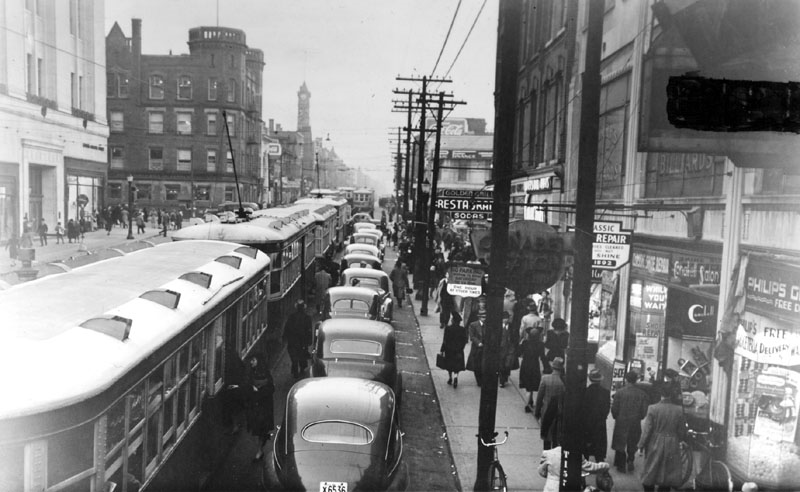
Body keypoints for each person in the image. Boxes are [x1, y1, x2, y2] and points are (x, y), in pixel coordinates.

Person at [638, 384, 687, 491]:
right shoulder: (679, 410)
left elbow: (647, 430)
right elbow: (681, 430)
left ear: (661, 394)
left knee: (650, 469)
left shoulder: (652, 408)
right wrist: (680, 440)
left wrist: (641, 445)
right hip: (672, 442)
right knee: (667, 472)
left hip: (655, 442)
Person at [611, 370, 650, 473]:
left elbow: (614, 408)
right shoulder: (642, 394)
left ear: (626, 380)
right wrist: (639, 417)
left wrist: (616, 416)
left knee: (620, 442)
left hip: (621, 421)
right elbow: (644, 411)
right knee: (633, 441)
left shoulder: (619, 392)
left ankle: (621, 464)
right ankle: (630, 459)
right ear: (636, 380)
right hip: (635, 421)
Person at [539, 445, 610, 492]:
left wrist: (552, 475)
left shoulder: (549, 453)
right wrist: (605, 466)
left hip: (551, 488)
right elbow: (590, 467)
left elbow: (541, 472)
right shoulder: (576, 454)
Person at [246, 353, 275, 462]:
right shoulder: (252, 372)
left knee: (261, 428)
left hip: (264, 406)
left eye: (253, 360)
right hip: (255, 405)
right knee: (258, 428)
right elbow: (248, 385)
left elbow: (272, 388)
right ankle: (260, 448)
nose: (251, 362)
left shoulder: (265, 373)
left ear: (258, 361)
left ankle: (259, 450)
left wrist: (258, 391)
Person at [535, 356, 566, 450]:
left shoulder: (545, 379)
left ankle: (546, 454)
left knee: (546, 436)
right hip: (558, 413)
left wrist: (537, 412)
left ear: (553, 367)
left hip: (546, 411)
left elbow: (539, 397)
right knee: (556, 438)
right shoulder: (564, 382)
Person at [519, 322, 548, 413]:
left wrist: (520, 344)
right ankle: (530, 400)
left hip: (525, 365)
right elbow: (543, 357)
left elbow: (519, 353)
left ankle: (528, 402)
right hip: (535, 365)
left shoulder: (525, 343)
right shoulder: (540, 344)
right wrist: (547, 367)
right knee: (532, 384)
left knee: (527, 384)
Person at [584, 369, 611, 462]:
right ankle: (599, 462)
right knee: (599, 445)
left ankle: (586, 462)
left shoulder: (585, 392)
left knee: (587, 445)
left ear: (590, 379)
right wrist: (603, 417)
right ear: (600, 380)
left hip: (587, 422)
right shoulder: (606, 392)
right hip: (600, 422)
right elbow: (607, 408)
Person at [284, 299, 313, 378]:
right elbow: (309, 330)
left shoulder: (291, 317)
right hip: (302, 342)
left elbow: (287, 328)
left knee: (294, 357)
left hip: (293, 341)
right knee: (302, 356)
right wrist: (309, 341)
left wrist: (286, 337)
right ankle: (302, 369)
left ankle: (295, 371)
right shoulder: (307, 318)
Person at [222, 344, 247, 434]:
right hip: (237, 383)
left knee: (232, 406)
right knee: (236, 406)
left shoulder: (225, 358)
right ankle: (237, 424)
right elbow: (242, 367)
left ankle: (235, 426)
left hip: (232, 384)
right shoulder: (233, 354)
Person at [439, 312, 468, 388]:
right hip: (459, 351)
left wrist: (442, 350)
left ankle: (450, 378)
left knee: (449, 365)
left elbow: (445, 340)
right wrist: (461, 348)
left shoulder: (448, 328)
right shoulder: (462, 329)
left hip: (449, 350)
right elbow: (465, 340)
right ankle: (455, 377)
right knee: (457, 365)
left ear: (453, 321)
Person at [466, 310, 486, 386]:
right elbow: (472, 336)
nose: (484, 318)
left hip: (485, 348)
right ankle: (479, 381)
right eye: (483, 317)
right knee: (477, 364)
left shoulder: (487, 325)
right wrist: (478, 343)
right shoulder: (473, 325)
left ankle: (482, 379)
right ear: (479, 317)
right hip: (477, 348)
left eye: (485, 317)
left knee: (483, 364)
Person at [498, 311, 518, 388]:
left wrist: (514, 347)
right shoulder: (498, 327)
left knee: (507, 365)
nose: (505, 320)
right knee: (501, 365)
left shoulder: (512, 326)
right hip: (501, 349)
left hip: (510, 349)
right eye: (504, 318)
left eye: (507, 318)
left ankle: (505, 376)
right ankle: (502, 381)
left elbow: (515, 337)